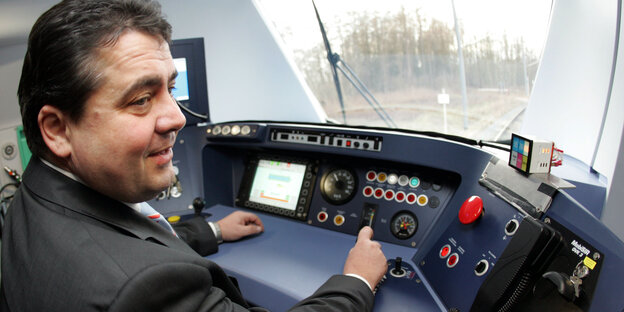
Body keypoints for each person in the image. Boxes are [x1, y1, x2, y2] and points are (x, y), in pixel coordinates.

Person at [0, 0, 388, 311]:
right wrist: (355, 282)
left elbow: (126, 234)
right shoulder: (139, 287)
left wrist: (215, 229)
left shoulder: (37, 194)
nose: (177, 118)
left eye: (170, 88)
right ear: (57, 129)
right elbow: (135, 267)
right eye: (140, 100)